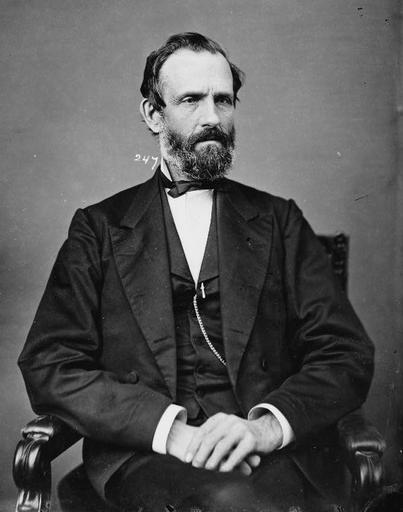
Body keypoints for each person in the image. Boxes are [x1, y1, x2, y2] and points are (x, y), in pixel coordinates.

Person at [18, 32, 374, 512]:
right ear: (153, 114)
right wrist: (170, 431)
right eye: (191, 100)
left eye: (223, 100)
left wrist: (265, 427)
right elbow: (50, 363)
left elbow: (346, 353)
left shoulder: (279, 220)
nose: (212, 117)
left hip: (261, 454)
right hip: (147, 452)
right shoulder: (99, 228)